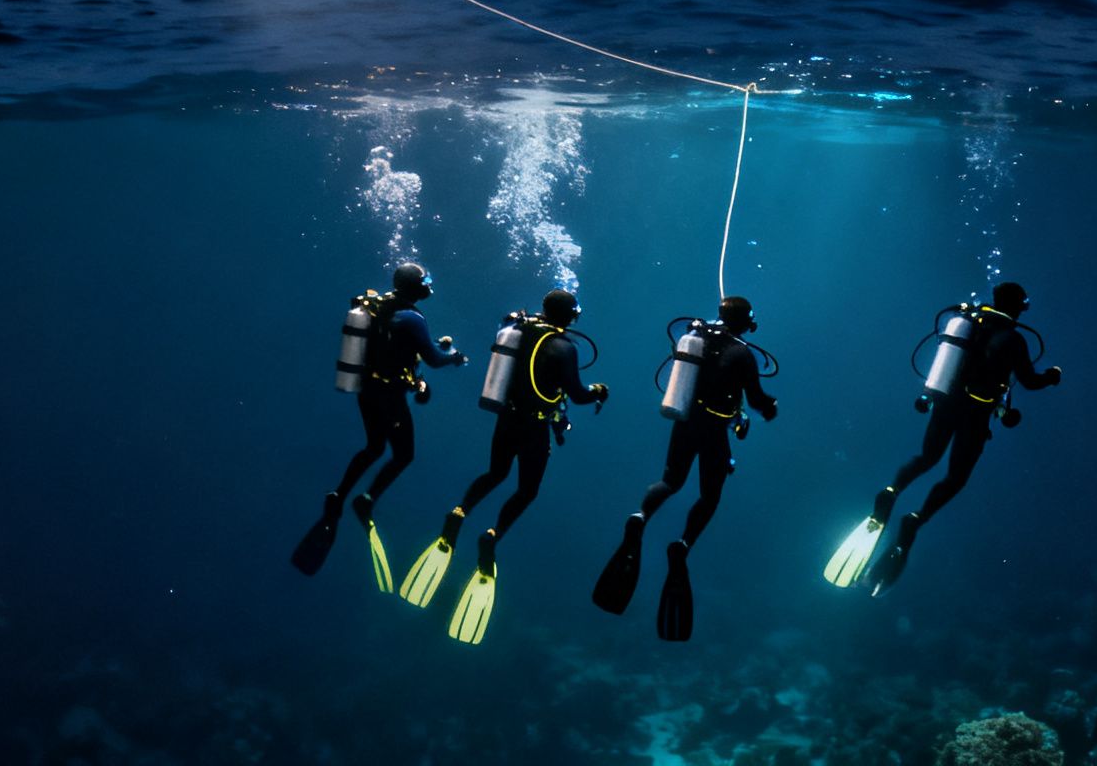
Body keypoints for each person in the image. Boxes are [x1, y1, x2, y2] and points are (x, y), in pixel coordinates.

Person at [398, 289, 607, 645]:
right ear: (570, 316)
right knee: (526, 490)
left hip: (507, 418)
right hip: (535, 426)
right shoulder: (564, 348)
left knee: (495, 473)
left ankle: (460, 511)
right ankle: (492, 536)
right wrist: (600, 390)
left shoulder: (518, 330)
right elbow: (577, 393)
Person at [846, 281, 1062, 594]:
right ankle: (915, 520)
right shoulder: (1014, 340)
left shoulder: (968, 324)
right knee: (956, 477)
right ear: (1019, 305)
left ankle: (890, 493)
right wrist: (1051, 377)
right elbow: (1028, 382)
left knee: (927, 458)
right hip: (975, 415)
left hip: (946, 404)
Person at [592, 295, 775, 641]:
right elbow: (755, 397)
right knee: (710, 495)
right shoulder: (742, 354)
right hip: (713, 431)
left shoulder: (697, 338)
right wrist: (771, 408)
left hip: (684, 421)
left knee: (670, 480)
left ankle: (641, 517)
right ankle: (683, 544)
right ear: (747, 323)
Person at [291, 263, 466, 582]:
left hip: (366, 390)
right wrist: (452, 356)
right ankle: (366, 499)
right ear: (416, 287)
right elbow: (433, 359)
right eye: (426, 281)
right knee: (403, 455)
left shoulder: (374, 305)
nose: (430, 286)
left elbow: (393, 349)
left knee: (373, 446)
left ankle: (339, 495)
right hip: (390, 396)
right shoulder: (412, 317)